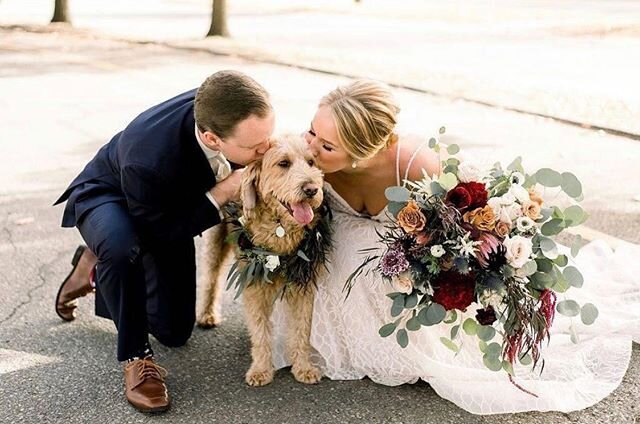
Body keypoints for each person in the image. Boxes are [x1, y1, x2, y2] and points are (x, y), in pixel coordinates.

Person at [271, 79, 640, 414]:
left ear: (369, 150)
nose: (312, 148)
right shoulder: (305, 163)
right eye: (312, 132)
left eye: (327, 145)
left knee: (385, 270)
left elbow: (454, 242)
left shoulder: (415, 166)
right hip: (345, 255)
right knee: (340, 262)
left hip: (399, 257)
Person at [54, 70, 274, 413]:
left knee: (173, 332)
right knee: (122, 247)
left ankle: (95, 269)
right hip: (110, 196)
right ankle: (136, 358)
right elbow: (162, 233)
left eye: (268, 137)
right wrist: (224, 190)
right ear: (212, 138)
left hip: (166, 205)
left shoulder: (224, 101)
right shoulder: (150, 158)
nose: (266, 150)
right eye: (254, 147)